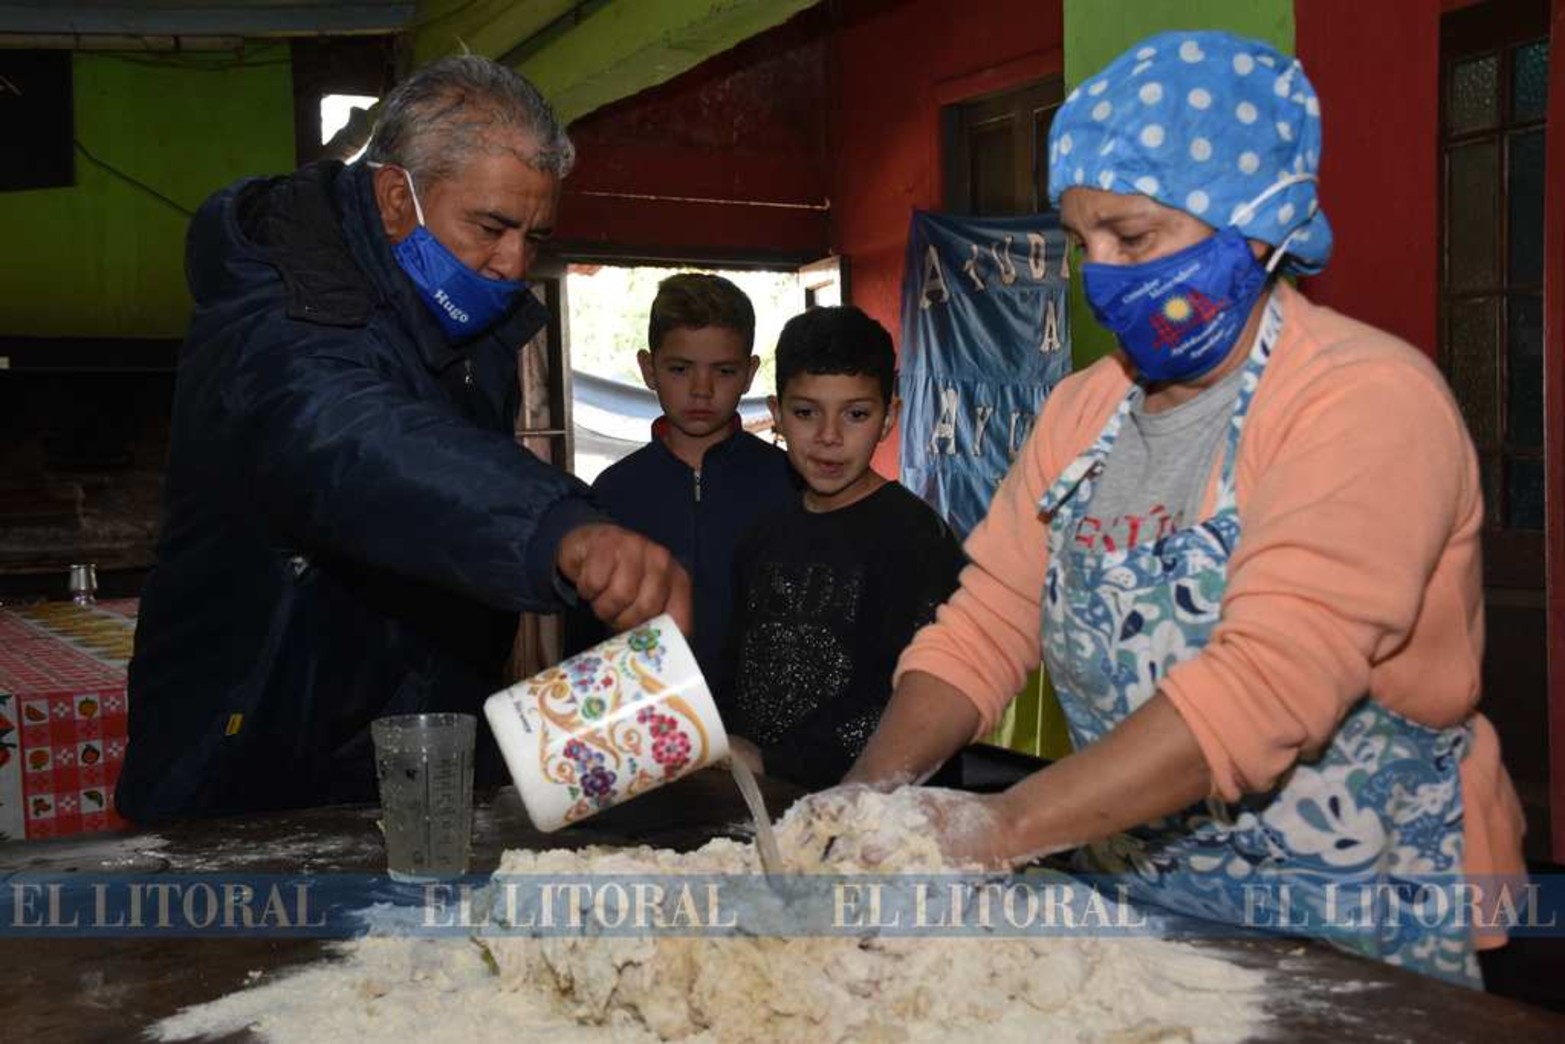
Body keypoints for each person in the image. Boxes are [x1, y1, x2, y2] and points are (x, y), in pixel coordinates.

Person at [840, 31, 1525, 986]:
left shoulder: (1365, 401)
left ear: (1255, 225)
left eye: (1133, 237)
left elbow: (1266, 684)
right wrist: (861, 803)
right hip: (1138, 903)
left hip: (1355, 922)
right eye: (1083, 242)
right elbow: (987, 622)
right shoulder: (1083, 410)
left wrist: (1001, 827)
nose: (1102, 273)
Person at [118, 56, 689, 823]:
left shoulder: (459, 318)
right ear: (396, 197)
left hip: (399, 736)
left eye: (535, 234)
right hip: (249, 745)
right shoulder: (278, 307)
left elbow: (439, 522)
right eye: (490, 227)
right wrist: (553, 526)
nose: (515, 263)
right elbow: (357, 438)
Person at [722, 306, 965, 789]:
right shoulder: (760, 535)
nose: (829, 437)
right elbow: (735, 673)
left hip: (885, 819)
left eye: (855, 414)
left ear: (889, 417)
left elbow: (911, 703)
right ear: (776, 415)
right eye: (806, 412)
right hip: (763, 805)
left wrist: (773, 761)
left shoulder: (918, 541)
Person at [565, 273, 796, 681]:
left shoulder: (791, 483)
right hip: (647, 721)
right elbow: (585, 641)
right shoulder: (611, 492)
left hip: (771, 733)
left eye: (724, 371)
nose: (701, 389)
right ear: (649, 368)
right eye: (680, 369)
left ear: (749, 373)